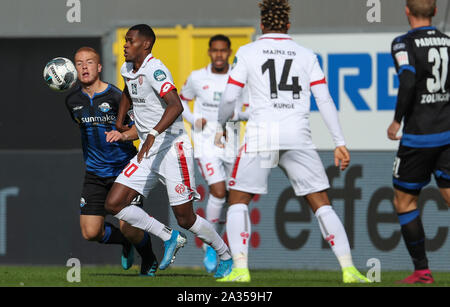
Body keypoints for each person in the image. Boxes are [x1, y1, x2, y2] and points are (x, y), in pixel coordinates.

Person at [215, 0, 371, 283]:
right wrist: (339, 141)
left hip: (263, 134)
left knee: (238, 199)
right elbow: (324, 99)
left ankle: (240, 269)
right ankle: (349, 270)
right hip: (298, 135)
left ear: (262, 25)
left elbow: (228, 98)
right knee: (321, 202)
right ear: (288, 26)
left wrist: (222, 124)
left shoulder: (248, 51)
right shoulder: (306, 54)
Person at [104, 24, 233, 278]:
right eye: (125, 41)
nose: (125, 45)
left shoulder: (156, 69)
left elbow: (176, 106)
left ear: (146, 45)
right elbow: (129, 91)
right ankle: (168, 236)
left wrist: (152, 133)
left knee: (186, 218)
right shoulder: (127, 68)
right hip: (148, 151)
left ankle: (225, 254)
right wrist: (120, 120)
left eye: (130, 41)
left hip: (173, 149)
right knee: (114, 203)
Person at [65, 46, 158, 276]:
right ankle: (124, 243)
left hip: (125, 172)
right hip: (95, 174)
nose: (84, 67)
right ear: (74, 69)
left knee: (130, 226)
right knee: (90, 233)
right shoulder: (72, 100)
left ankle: (149, 258)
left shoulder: (116, 96)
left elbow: (142, 128)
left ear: (99, 67)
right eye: (79, 63)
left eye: (89, 62)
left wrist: (123, 135)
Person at [387, 0, 450, 284]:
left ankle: (422, 271)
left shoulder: (403, 44)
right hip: (448, 133)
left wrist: (397, 119)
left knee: (404, 200)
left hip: (419, 136)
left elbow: (409, 81)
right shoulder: (448, 42)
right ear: (435, 11)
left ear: (407, 11)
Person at [179, 34, 249, 274]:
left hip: (231, 142)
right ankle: (211, 245)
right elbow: (181, 100)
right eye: (215, 50)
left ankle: (218, 242)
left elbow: (249, 108)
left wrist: (237, 115)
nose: (219, 55)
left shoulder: (239, 78)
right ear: (209, 52)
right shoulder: (198, 78)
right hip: (205, 143)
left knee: (233, 198)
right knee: (218, 190)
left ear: (229, 52)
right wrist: (191, 119)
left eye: (223, 51)